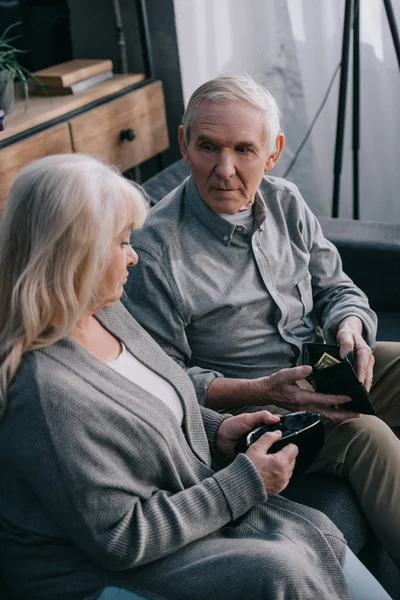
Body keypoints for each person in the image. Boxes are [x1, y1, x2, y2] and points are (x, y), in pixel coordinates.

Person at [0, 154, 392, 600]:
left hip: (178, 498)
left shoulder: (106, 312)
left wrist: (217, 431)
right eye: (123, 243)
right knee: (280, 565)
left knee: (314, 531)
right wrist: (245, 483)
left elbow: (154, 406)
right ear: (77, 254)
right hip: (93, 570)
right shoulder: (45, 394)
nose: (133, 257)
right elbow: (120, 538)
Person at [125, 74, 400, 570]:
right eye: (208, 146)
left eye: (243, 150)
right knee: (370, 440)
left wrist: (350, 326)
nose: (224, 170)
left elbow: (336, 287)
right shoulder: (153, 252)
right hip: (258, 414)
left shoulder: (287, 201)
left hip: (318, 363)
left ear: (272, 153)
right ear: (184, 143)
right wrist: (262, 389)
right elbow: (161, 381)